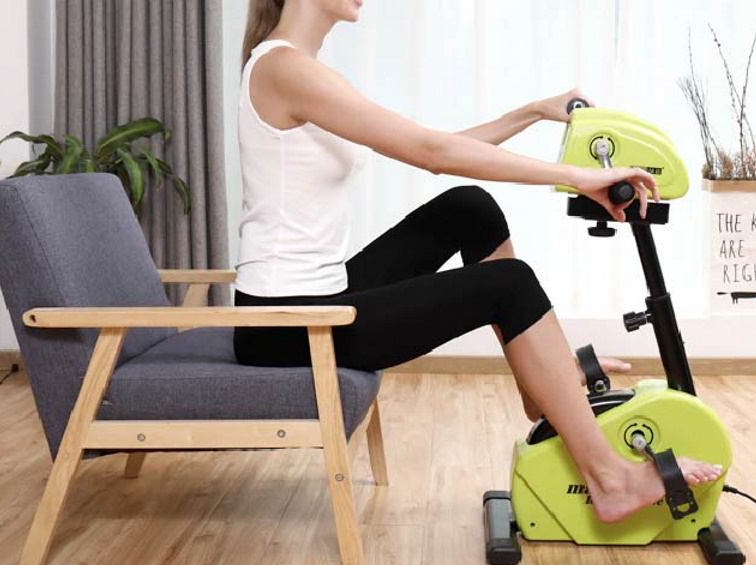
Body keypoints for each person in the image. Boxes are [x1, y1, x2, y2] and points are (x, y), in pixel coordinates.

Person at [234, 0, 722, 524]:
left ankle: (540, 391)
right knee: (509, 284)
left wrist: (532, 112)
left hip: (320, 292)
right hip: (287, 325)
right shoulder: (286, 69)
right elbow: (432, 152)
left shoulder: (299, 68)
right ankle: (611, 480)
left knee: (469, 209)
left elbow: (440, 149)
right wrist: (578, 177)